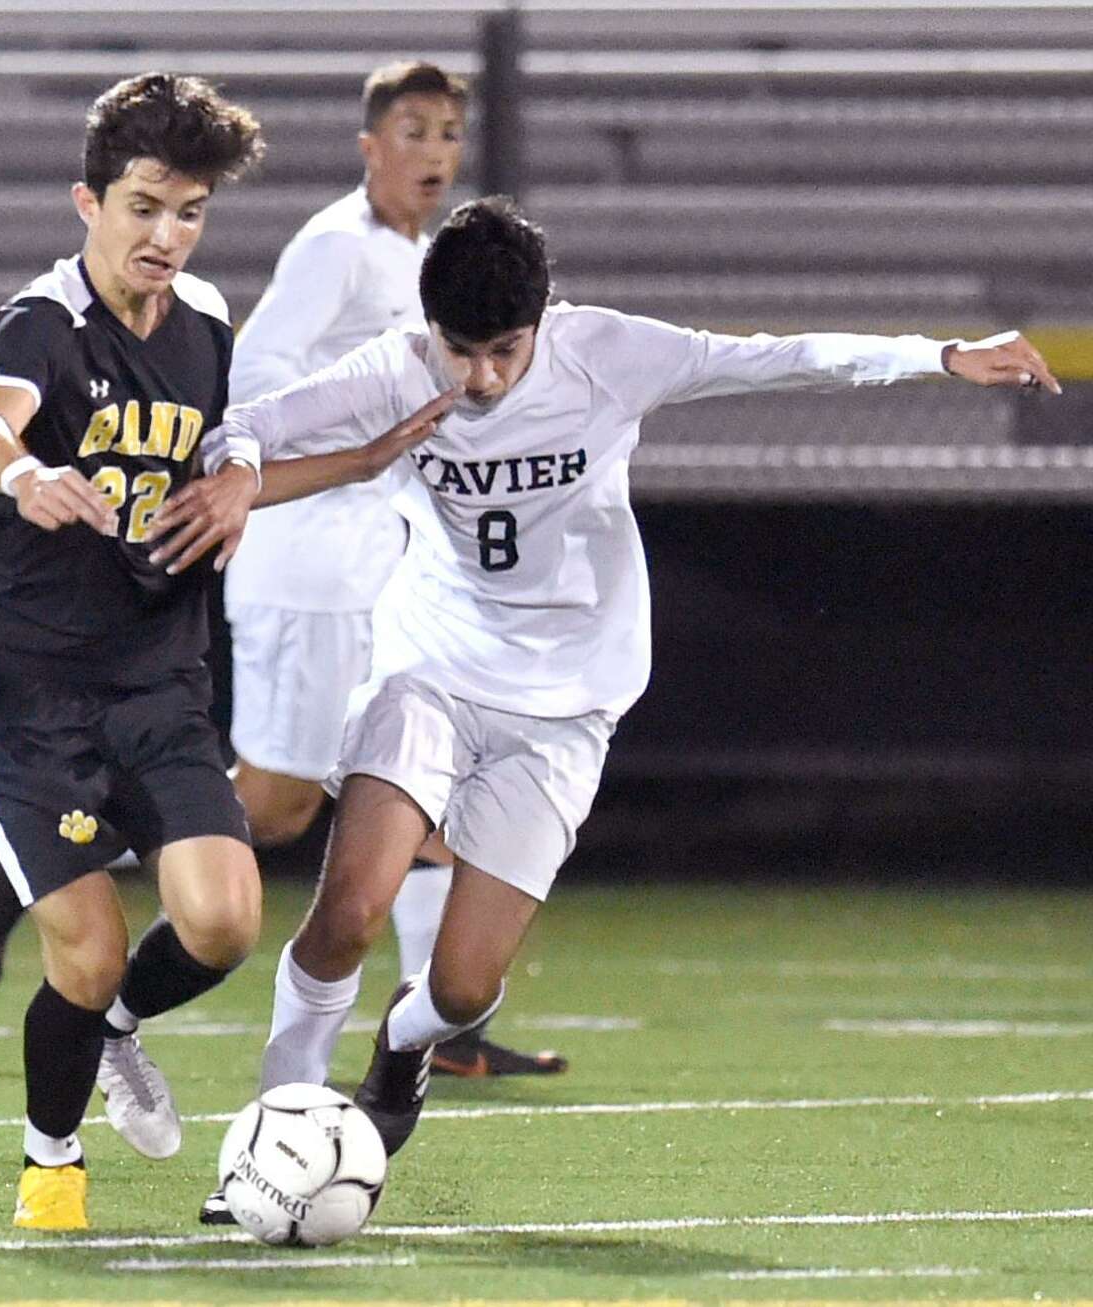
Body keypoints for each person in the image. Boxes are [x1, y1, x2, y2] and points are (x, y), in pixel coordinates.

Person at [150, 195, 1061, 1172]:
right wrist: (241, 468)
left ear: (544, 319)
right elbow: (252, 420)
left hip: (567, 704)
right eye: (464, 351)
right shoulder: (398, 367)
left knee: (462, 988)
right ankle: (276, 1125)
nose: (484, 376)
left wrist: (939, 355)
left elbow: (772, 356)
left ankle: (407, 1045)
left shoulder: (609, 354)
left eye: (506, 349)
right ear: (431, 330)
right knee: (348, 910)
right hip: (429, 670)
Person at [0, 72, 450, 1232]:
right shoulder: (43, 321)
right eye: (145, 207)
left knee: (222, 920)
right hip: (18, 676)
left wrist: (348, 464)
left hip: (154, 670)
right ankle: (50, 1160)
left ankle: (115, 1032)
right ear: (88, 202)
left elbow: (231, 469)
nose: (167, 236)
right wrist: (24, 473)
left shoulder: (208, 324)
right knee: (93, 946)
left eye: (190, 211)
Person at [224, 59, 565, 1093]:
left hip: (381, 574)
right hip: (307, 571)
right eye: (413, 131)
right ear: (371, 145)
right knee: (275, 810)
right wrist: (364, 423)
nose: (435, 153)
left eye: (450, 134)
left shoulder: (427, 263)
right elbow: (254, 380)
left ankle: (438, 1020)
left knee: (430, 779)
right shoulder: (336, 247)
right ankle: (61, 845)